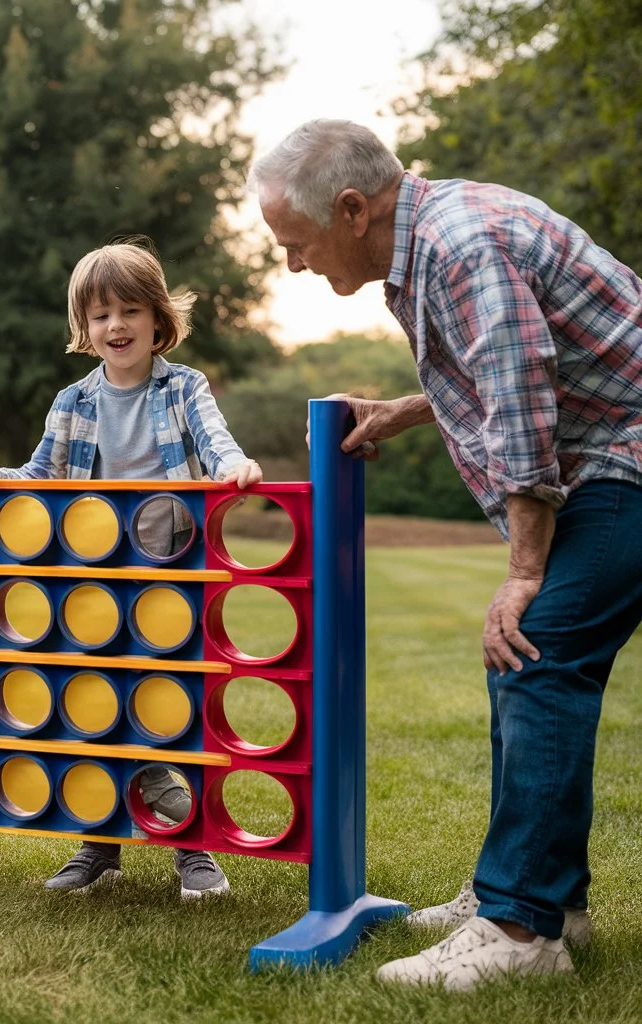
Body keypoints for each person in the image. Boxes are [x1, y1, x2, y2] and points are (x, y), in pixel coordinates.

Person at [250, 118, 642, 990]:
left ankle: (519, 933)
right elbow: (506, 357)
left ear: (351, 209)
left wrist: (524, 573)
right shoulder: (434, 240)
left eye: (296, 243)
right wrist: (405, 406)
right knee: (524, 660)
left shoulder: (463, 245)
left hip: (627, 457)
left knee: (535, 646)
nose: (293, 265)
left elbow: (523, 398)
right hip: (607, 451)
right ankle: (550, 901)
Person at [0, 240, 262, 898]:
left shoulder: (184, 388)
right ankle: (99, 845)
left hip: (169, 571)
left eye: (129, 310)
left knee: (168, 708)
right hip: (92, 580)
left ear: (157, 319)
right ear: (84, 330)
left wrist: (234, 466)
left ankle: (193, 851)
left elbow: (214, 441)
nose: (115, 325)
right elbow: (40, 478)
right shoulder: (72, 402)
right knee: (92, 706)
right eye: (99, 315)